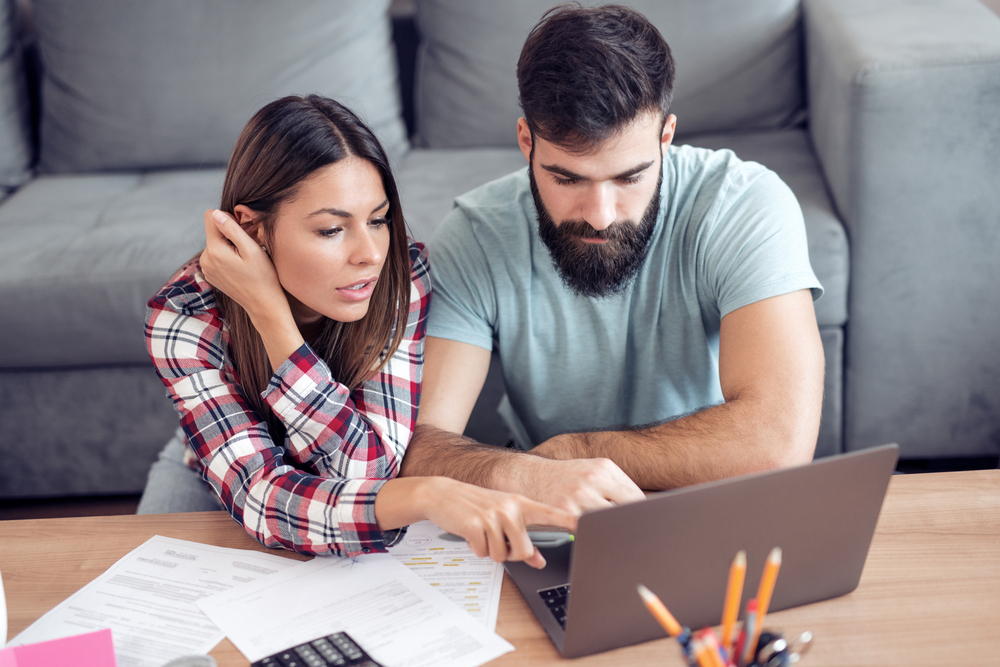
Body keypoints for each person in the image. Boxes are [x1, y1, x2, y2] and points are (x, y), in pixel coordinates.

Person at [399, 5, 826, 513]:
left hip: (713, 504)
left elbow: (779, 442)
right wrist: (527, 472)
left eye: (629, 177)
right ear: (525, 142)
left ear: (666, 137)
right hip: (558, 515)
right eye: (567, 179)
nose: (600, 216)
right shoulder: (474, 236)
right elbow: (417, 446)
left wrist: (572, 452)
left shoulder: (742, 204)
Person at [139, 95, 574, 566]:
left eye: (378, 220)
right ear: (253, 229)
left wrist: (420, 493)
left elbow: (366, 472)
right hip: (214, 475)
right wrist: (270, 314)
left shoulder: (399, 280)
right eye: (331, 230)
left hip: (347, 490)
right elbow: (261, 499)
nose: (370, 253)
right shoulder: (184, 313)